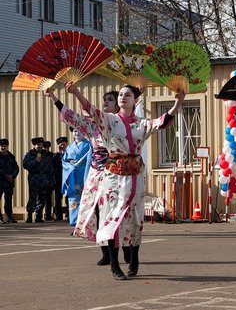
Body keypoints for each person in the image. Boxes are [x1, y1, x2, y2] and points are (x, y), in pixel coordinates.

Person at [63, 82, 185, 280]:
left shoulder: (142, 123)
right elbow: (91, 110)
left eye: (127, 95)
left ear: (135, 100)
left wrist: (178, 103)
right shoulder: (109, 120)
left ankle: (134, 258)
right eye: (120, 94)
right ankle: (114, 264)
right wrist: (76, 91)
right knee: (111, 219)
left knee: (136, 219)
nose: (122, 97)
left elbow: (161, 122)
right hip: (113, 177)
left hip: (135, 177)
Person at [46, 89, 120, 266]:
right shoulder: (92, 126)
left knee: (114, 214)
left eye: (111, 99)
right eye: (105, 99)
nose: (106, 101)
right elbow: (72, 116)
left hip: (116, 174)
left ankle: (125, 249)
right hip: (96, 174)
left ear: (118, 106)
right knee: (95, 213)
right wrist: (54, 97)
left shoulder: (122, 124)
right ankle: (106, 252)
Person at [62, 128, 92, 226]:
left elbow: (91, 160)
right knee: (73, 198)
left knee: (85, 198)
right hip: (72, 174)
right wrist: (70, 167)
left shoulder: (89, 145)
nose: (77, 133)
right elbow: (64, 161)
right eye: (75, 131)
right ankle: (74, 222)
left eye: (79, 131)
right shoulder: (70, 147)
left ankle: (84, 223)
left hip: (83, 172)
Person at [22, 137, 55, 223]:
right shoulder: (30, 154)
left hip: (44, 179)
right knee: (32, 197)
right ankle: (29, 216)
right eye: (38, 145)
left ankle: (38, 216)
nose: (40, 146)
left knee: (42, 198)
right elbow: (25, 165)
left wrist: (51, 180)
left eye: (41, 144)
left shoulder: (46, 154)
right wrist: (35, 161)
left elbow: (51, 168)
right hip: (34, 178)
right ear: (34, 145)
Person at [0, 138, 19, 223]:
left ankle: (9, 217)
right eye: (1, 146)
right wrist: (5, 175)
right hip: (0, 181)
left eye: (4, 146)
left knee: (8, 200)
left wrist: (13, 175)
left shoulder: (11, 156)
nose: (3, 147)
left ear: (7, 146)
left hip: (9, 182)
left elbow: (16, 167)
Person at [53, 136, 68, 221]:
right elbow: (53, 164)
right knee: (58, 198)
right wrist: (60, 152)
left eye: (64, 144)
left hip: (67, 178)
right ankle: (58, 215)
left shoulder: (70, 153)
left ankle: (69, 214)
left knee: (68, 197)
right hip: (58, 178)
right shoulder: (56, 155)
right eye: (61, 144)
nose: (62, 146)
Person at [42, 140, 55, 221]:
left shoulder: (52, 155)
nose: (46, 149)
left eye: (47, 147)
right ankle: (39, 215)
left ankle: (48, 214)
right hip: (41, 179)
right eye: (45, 147)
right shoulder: (39, 154)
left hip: (49, 179)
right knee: (41, 198)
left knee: (48, 199)